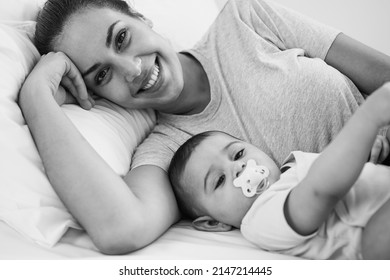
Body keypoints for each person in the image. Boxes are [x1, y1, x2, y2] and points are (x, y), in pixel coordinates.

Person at [18, 0, 390, 254]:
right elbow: (122, 229)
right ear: (95, 93)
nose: (132, 70)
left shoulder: (246, 18)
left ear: (142, 20)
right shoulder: (165, 152)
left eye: (122, 38)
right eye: (101, 74)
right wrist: (37, 97)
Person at [167, 83, 390, 260]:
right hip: (374, 230)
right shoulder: (259, 220)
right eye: (220, 180)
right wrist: (368, 118)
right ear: (213, 223)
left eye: (238, 154)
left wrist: (368, 150)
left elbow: (344, 170)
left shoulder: (293, 167)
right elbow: (319, 192)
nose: (239, 167)